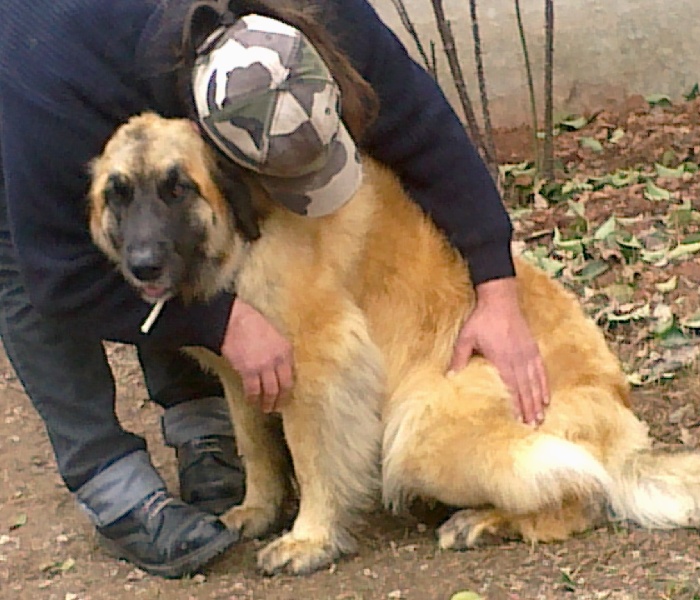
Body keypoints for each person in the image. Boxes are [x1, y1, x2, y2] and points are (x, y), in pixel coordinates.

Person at [0, 0, 550, 579]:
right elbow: (59, 281)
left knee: (189, 240)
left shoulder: (324, 14)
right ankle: (108, 479)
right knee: (93, 250)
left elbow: (420, 123)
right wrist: (219, 323)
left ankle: (201, 427)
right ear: (199, 126)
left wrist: (496, 286)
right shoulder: (48, 99)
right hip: (31, 65)